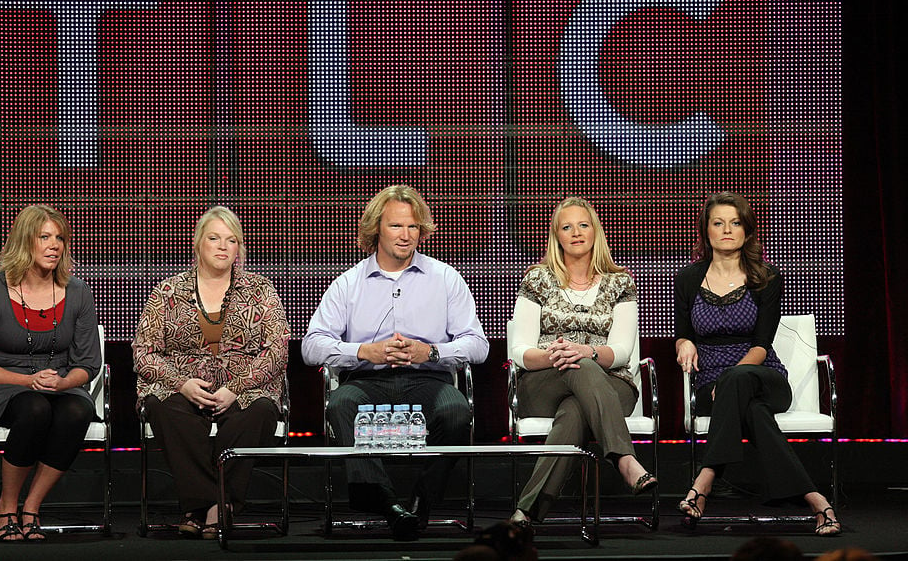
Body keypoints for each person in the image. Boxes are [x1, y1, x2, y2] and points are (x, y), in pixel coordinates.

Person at [302, 185, 489, 540]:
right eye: (396, 227)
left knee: (456, 411)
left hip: (428, 381)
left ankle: (420, 502)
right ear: (376, 229)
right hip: (367, 382)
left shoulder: (445, 278)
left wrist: (431, 352)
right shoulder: (349, 283)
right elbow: (312, 346)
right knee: (341, 404)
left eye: (413, 227)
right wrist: (363, 351)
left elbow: (477, 345)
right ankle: (389, 505)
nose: (406, 236)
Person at [675, 191, 840, 536]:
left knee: (739, 382)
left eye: (735, 223)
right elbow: (683, 333)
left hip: (765, 377)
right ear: (706, 230)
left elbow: (762, 345)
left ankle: (703, 482)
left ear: (748, 231)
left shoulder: (766, 277)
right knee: (754, 413)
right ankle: (817, 501)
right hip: (711, 385)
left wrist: (735, 374)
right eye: (718, 223)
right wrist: (684, 342)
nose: (726, 230)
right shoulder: (688, 278)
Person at [132, 206, 290, 539]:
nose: (223, 246)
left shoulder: (260, 290)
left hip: (245, 387)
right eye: (215, 238)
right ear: (198, 243)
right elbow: (143, 353)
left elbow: (278, 349)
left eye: (232, 240)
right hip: (182, 386)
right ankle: (215, 504)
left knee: (257, 412)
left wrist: (236, 386)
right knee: (165, 409)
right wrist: (181, 384)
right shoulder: (167, 292)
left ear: (239, 248)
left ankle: (201, 508)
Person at [507, 196, 657, 527]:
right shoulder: (537, 279)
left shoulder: (620, 282)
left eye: (583, 225)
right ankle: (624, 458)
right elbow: (519, 350)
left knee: (576, 407)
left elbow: (621, 351)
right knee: (580, 366)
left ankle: (527, 511)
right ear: (556, 236)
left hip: (612, 385)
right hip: (544, 380)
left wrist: (586, 352)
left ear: (596, 231)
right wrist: (556, 354)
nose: (576, 233)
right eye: (567, 227)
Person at [0, 204, 101, 541]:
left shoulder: (78, 291)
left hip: (59, 384)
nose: (54, 245)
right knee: (34, 408)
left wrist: (65, 381)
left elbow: (88, 363)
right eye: (44, 237)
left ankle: (32, 508)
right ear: (25, 241)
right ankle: (6, 506)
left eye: (59, 238)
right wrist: (28, 381)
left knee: (78, 409)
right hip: (2, 385)